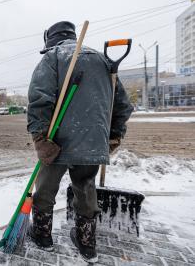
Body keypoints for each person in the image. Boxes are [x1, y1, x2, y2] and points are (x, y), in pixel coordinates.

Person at [27, 21, 133, 263]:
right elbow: (123, 106)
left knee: (45, 189)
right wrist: (115, 134)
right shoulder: (104, 61)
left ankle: (42, 235)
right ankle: (87, 243)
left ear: (49, 41)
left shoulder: (52, 58)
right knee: (85, 187)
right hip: (93, 142)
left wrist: (40, 138)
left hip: (57, 141)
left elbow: (38, 100)